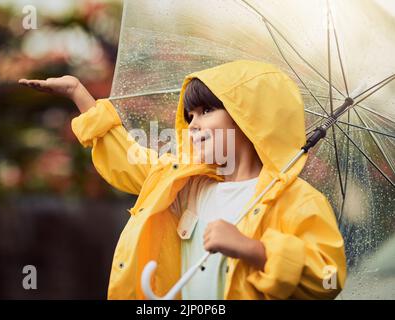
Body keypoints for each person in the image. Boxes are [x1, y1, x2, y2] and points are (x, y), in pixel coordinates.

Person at [19, 60, 347, 299]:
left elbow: (327, 276)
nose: (193, 125)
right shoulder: (185, 183)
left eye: (206, 111)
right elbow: (127, 159)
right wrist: (79, 93)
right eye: (190, 116)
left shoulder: (296, 201)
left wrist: (254, 250)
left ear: (251, 119)